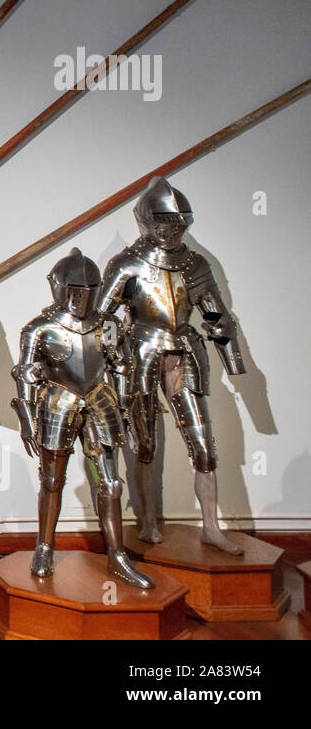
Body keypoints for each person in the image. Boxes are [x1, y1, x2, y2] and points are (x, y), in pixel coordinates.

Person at [97, 176, 246, 555]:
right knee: (144, 444)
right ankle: (148, 522)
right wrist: (109, 366)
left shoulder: (195, 264)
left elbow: (218, 318)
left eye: (177, 220)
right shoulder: (127, 263)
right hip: (141, 353)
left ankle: (211, 526)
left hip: (185, 352)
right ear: (147, 219)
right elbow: (100, 320)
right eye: (163, 219)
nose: (170, 227)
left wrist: (235, 366)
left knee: (203, 446)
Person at [12, 247, 153, 587]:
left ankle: (117, 555)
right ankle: (44, 547)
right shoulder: (40, 328)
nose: (80, 296)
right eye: (74, 289)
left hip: (100, 402)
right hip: (57, 402)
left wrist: (124, 408)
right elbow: (27, 374)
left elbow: (120, 365)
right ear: (58, 287)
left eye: (88, 289)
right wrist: (28, 420)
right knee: (51, 482)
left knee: (111, 484)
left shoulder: (108, 324)